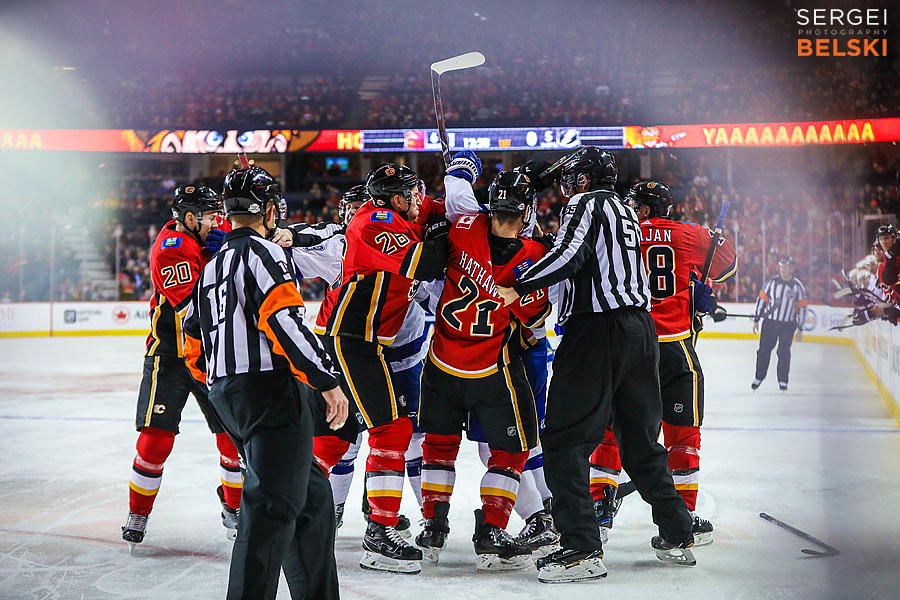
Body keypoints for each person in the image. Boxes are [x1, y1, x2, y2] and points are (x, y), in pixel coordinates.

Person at [496, 146, 696, 583]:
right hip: (640, 331)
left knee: (564, 440)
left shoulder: (585, 203)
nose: (567, 187)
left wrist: (517, 283)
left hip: (596, 332)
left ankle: (580, 548)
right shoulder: (624, 208)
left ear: (584, 180)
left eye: (572, 179)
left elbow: (571, 255)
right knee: (640, 441)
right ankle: (678, 530)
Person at [183, 165, 349, 600]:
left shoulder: (213, 265)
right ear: (271, 210)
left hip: (229, 395)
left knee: (312, 503)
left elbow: (191, 338)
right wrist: (326, 380)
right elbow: (284, 321)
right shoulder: (265, 253)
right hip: (270, 394)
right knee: (270, 512)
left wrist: (223, 388)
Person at [314, 163, 449, 574]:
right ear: (395, 199)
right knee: (391, 429)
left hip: (363, 341)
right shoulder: (375, 222)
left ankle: (296, 512)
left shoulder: (398, 212)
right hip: (352, 339)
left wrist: (457, 192)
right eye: (412, 193)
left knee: (337, 436)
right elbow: (426, 263)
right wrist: (444, 234)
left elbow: (435, 208)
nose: (419, 198)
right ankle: (380, 533)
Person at [416, 169, 551, 571]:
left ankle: (433, 526)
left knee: (439, 446)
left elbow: (454, 196)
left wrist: (460, 169)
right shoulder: (533, 255)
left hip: (440, 364)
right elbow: (534, 319)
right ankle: (492, 529)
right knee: (511, 451)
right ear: (526, 212)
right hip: (492, 371)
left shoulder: (463, 226)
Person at [590, 181, 737, 547]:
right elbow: (727, 264)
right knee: (682, 436)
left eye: (633, 204)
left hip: (628, 345)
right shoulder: (689, 233)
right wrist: (698, 280)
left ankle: (599, 509)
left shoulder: (620, 233)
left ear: (642, 208)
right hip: (674, 348)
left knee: (611, 431)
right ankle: (681, 518)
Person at [121, 184, 242, 547]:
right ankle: (138, 512)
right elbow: (195, 310)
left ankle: (235, 507)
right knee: (155, 440)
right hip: (171, 357)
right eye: (209, 217)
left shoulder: (203, 236)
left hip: (211, 354)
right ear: (190, 218)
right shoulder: (171, 248)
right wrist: (220, 260)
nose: (216, 222)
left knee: (231, 439)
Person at [751, 257, 808, 391]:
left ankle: (783, 380)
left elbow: (803, 307)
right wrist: (756, 319)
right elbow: (762, 300)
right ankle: (759, 376)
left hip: (788, 325)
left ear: (791, 269)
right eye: (781, 266)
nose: (783, 269)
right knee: (763, 350)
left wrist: (800, 328)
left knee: (783, 352)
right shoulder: (772, 282)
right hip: (770, 323)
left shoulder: (797, 286)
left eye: (786, 267)